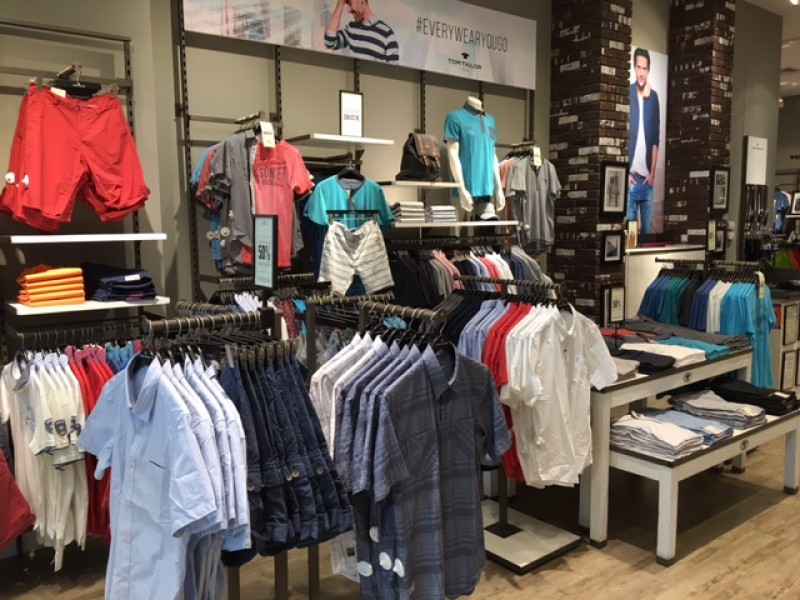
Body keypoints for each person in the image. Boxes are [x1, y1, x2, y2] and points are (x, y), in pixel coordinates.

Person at [627, 47, 660, 234]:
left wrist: (653, 174)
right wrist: (625, 174)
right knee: (628, 237)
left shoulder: (653, 98)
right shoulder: (628, 94)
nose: (641, 72)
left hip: (647, 181)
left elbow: (655, 140)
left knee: (647, 236)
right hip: (631, 179)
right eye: (638, 67)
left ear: (648, 70)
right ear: (634, 68)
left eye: (644, 68)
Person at [324, 0, 399, 63]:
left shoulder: (387, 33)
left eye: (350, 4)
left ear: (362, 2)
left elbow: (393, 70)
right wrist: (341, 3)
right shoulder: (351, 29)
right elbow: (329, 42)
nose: (349, 10)